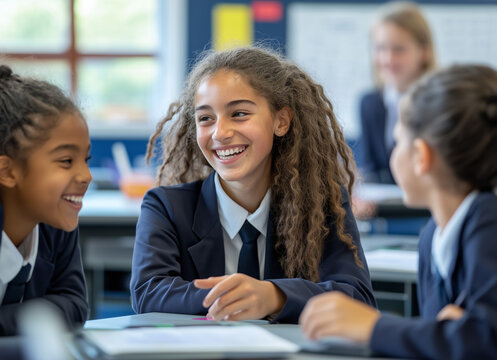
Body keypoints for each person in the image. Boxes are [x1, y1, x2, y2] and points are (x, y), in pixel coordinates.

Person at [130, 46, 376, 324]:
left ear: (281, 121)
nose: (220, 133)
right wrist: (234, 298)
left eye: (239, 114)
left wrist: (274, 296)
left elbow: (357, 297)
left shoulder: (320, 204)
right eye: (205, 119)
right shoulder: (166, 207)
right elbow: (148, 293)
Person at [300, 64, 497, 359]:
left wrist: (374, 327)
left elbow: (484, 339)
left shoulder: (487, 220)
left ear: (421, 156)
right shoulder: (434, 235)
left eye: (398, 141)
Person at [0, 65, 91, 336]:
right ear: (8, 172)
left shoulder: (56, 222)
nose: (86, 175)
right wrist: (39, 316)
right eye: (66, 161)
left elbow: (74, 306)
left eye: (86, 160)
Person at [356, 1, 436, 184]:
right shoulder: (370, 103)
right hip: (385, 208)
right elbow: (369, 168)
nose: (388, 58)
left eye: (398, 49)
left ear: (424, 51)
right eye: (380, 48)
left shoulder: (441, 103)